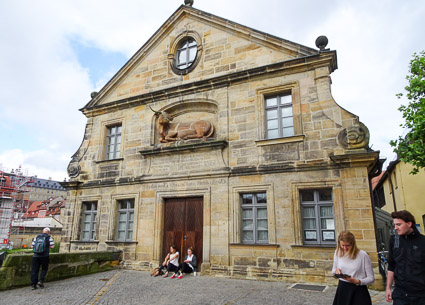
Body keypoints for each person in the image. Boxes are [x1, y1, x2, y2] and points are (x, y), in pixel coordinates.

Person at [385, 210, 425, 304]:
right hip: (400, 294)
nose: (395, 228)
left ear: (409, 223)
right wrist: (388, 288)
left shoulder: (423, 242)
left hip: (421, 295)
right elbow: (391, 266)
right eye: (394, 225)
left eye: (399, 224)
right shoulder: (394, 240)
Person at [332, 231, 375, 305]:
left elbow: (371, 278)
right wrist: (336, 271)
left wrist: (358, 281)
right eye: (342, 245)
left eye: (347, 245)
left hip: (358, 290)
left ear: (353, 244)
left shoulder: (362, 255)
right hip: (342, 289)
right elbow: (333, 270)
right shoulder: (337, 252)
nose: (345, 248)